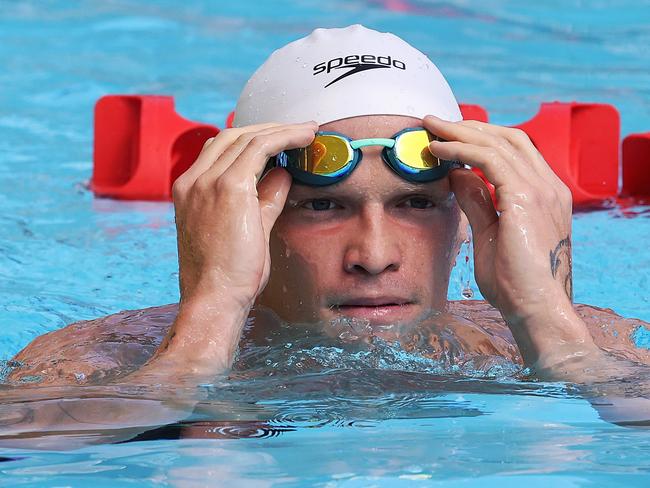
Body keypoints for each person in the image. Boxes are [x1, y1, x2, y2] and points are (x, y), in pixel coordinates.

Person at [4, 25, 650, 445]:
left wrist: (552, 333)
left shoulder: (586, 340)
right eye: (323, 207)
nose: (373, 255)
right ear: (245, 215)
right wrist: (205, 331)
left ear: (467, 215)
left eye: (416, 204)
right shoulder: (109, 357)